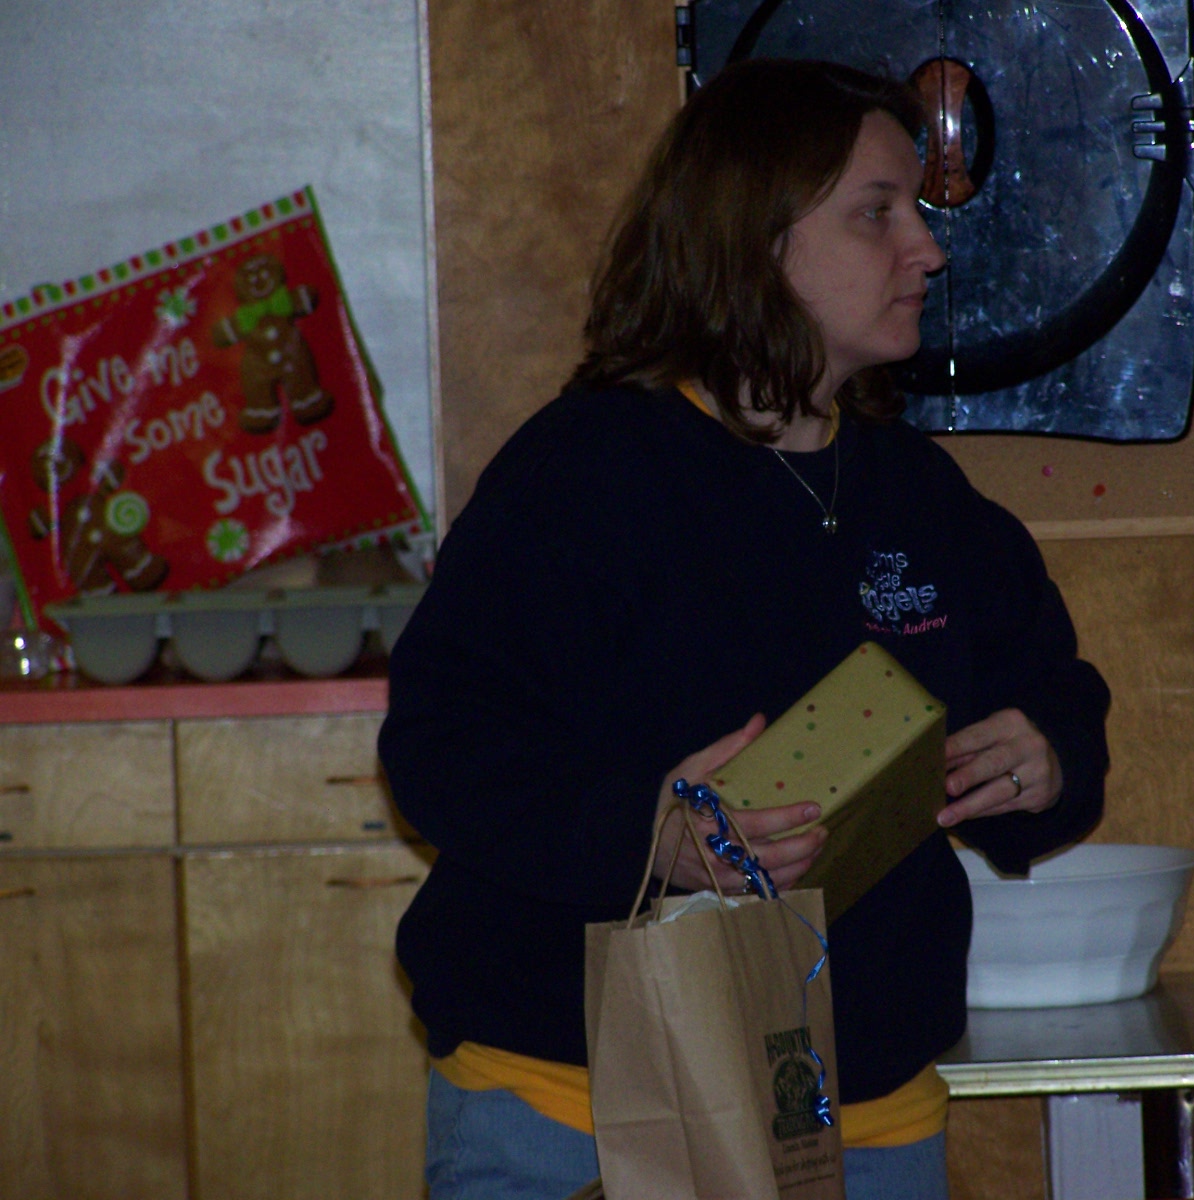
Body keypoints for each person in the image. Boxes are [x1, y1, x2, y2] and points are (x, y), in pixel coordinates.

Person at [379, 57, 1111, 1200]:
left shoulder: (920, 492)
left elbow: (1055, 692)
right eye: (877, 212)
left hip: (868, 1120)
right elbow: (441, 748)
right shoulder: (584, 474)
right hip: (579, 1111)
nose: (927, 250)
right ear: (755, 242)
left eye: (917, 214)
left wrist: (1045, 757)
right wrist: (652, 836)